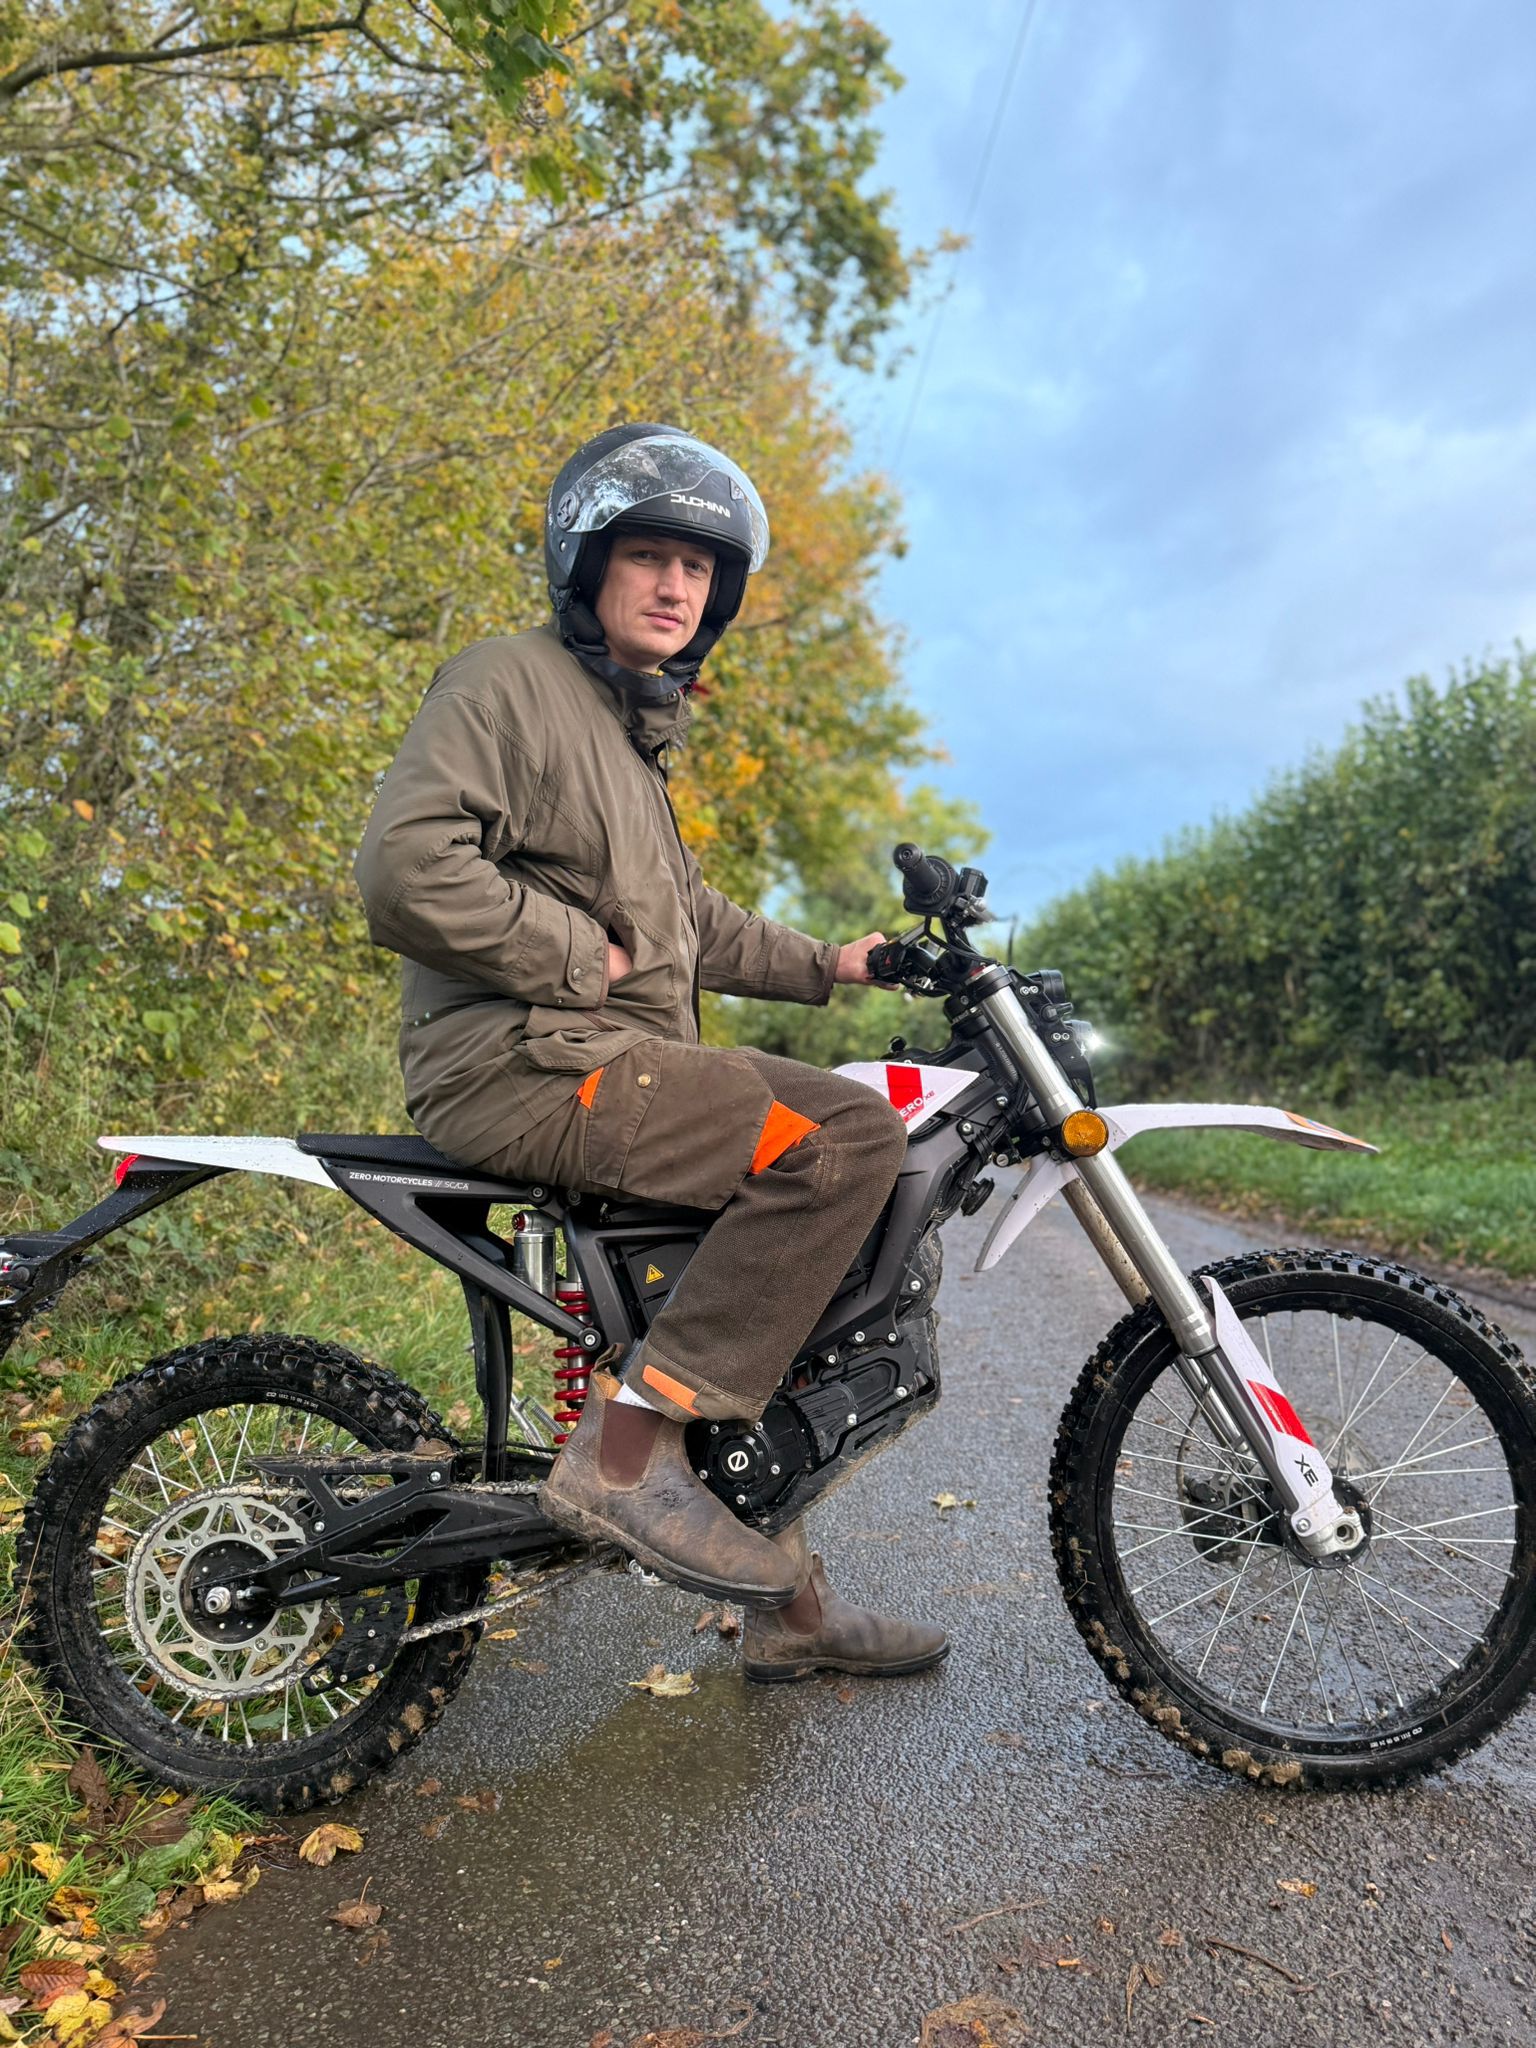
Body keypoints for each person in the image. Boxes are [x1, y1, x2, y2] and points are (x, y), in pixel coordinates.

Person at [355, 423, 947, 1682]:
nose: (678, 587)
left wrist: (833, 963)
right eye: (651, 557)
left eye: (700, 570)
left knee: (804, 1239)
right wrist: (583, 958)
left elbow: (691, 923)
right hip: (526, 1059)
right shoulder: (508, 684)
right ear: (592, 565)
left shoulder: (629, 739)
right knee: (843, 1138)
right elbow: (406, 872)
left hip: (593, 1055)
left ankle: (789, 1607)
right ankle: (625, 1459)